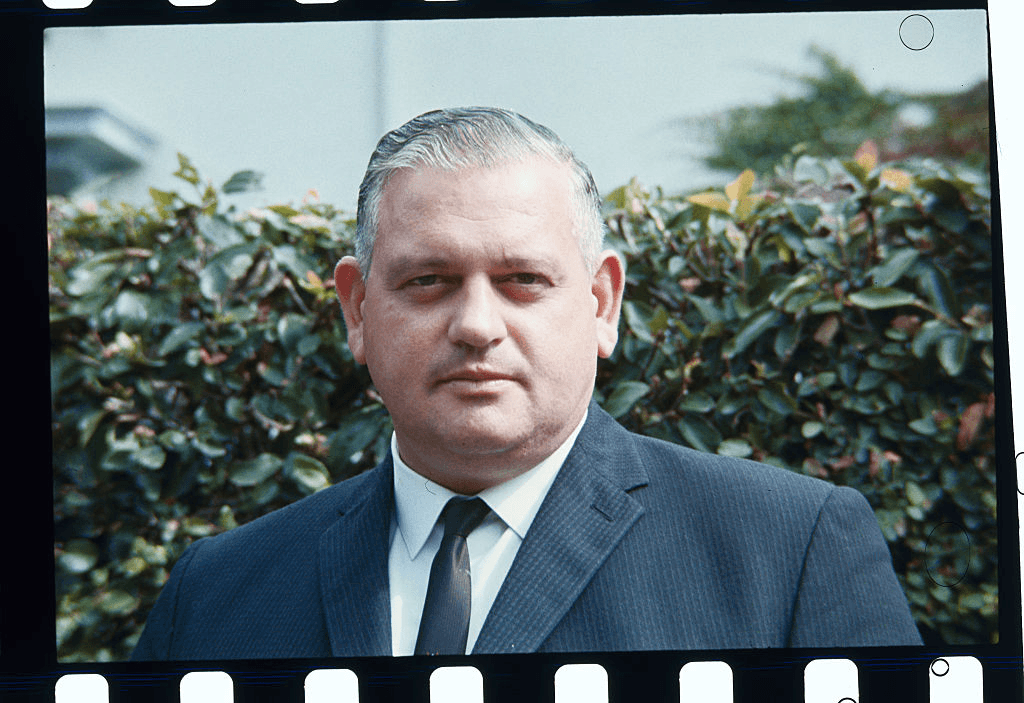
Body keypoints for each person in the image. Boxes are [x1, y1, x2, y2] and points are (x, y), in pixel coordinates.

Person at [131, 107, 922, 660]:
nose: (477, 324)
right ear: (358, 309)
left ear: (602, 302)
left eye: (523, 280)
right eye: (429, 280)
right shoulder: (218, 593)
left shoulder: (791, 553)